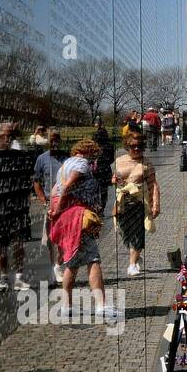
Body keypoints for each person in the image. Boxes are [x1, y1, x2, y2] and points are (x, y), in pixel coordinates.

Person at [48, 137, 117, 319]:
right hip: (78, 217)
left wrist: (54, 209)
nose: (94, 159)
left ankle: (66, 305)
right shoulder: (81, 164)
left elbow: (56, 189)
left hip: (67, 218)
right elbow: (68, 185)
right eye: (94, 154)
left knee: (72, 262)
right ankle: (102, 306)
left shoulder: (65, 165)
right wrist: (56, 208)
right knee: (93, 260)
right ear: (88, 152)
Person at [0, 122, 36, 292]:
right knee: (0, 245)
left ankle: (19, 277)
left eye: (12, 134)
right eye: (6, 134)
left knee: (18, 242)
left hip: (18, 207)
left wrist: (27, 199)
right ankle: (3, 277)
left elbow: (28, 180)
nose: (9, 137)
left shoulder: (21, 156)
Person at [112, 132, 161, 276]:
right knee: (124, 233)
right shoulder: (119, 161)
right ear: (127, 146)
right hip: (122, 202)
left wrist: (155, 205)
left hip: (139, 202)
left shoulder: (147, 164)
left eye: (140, 146)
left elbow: (153, 185)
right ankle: (136, 256)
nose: (137, 149)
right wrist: (114, 181)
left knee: (138, 233)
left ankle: (132, 264)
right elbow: (114, 178)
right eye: (133, 146)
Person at [32, 130, 67, 280]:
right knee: (52, 238)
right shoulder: (41, 159)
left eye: (57, 140)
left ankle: (60, 263)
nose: (54, 143)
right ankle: (54, 266)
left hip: (65, 200)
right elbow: (36, 181)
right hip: (50, 202)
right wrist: (42, 199)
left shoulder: (67, 157)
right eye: (52, 140)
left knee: (65, 236)